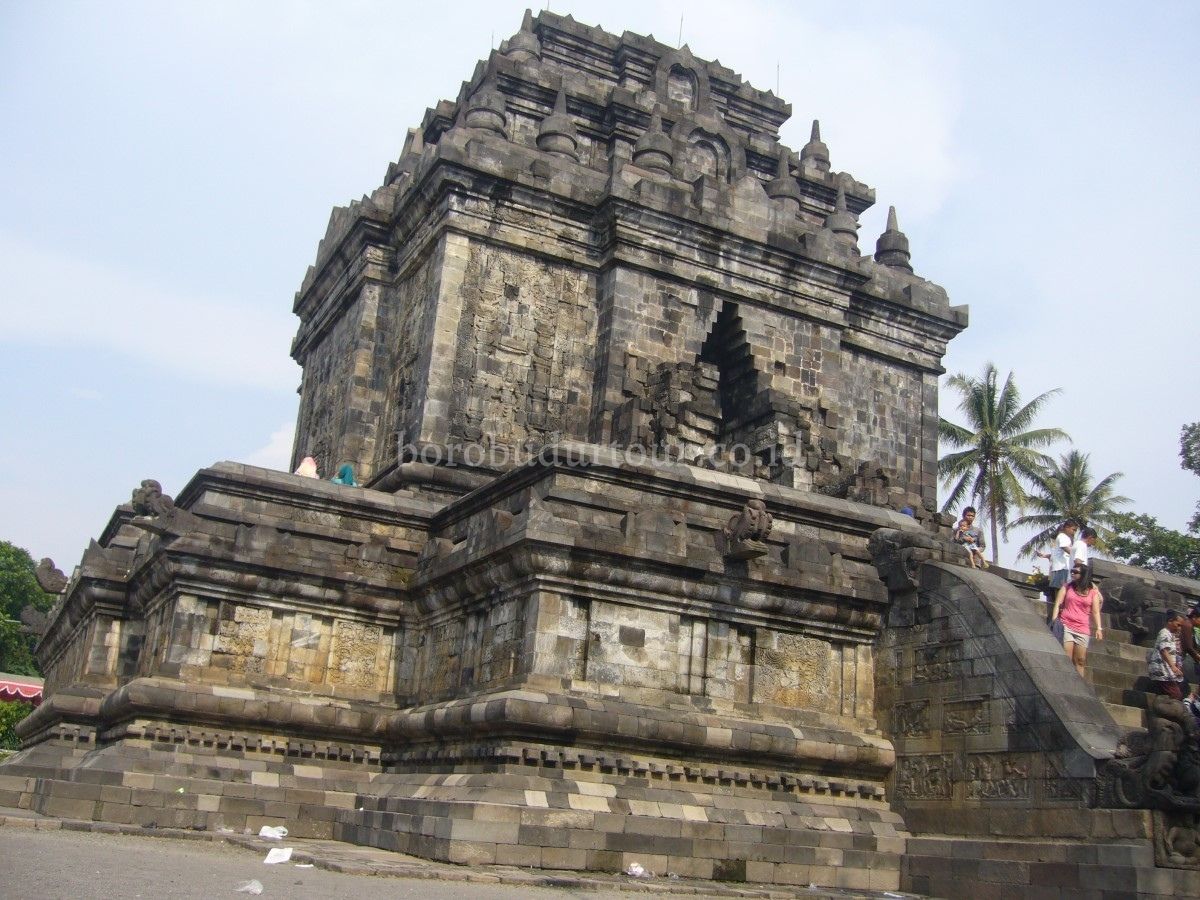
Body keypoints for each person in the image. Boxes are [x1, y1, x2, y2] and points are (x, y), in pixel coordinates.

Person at [1050, 562, 1104, 677]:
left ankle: (1080, 684)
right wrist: (1054, 620)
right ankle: (1066, 680)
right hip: (1066, 625)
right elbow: (1058, 603)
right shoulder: (1067, 587)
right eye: (1072, 572)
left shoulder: (1092, 592)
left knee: (1080, 660)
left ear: (1084, 574)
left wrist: (1099, 628)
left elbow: (1095, 611)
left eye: (1076, 572)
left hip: (1082, 628)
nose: (1073, 574)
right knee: (1067, 657)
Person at [1147, 610, 1187, 700]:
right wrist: (1173, 667)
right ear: (1170, 621)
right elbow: (1163, 650)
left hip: (1165, 671)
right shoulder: (1165, 633)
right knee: (1176, 694)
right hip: (1162, 671)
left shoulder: (1170, 634)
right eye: (1178, 625)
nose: (1179, 628)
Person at [1038, 520, 1078, 598]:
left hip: (1060, 568)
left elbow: (1056, 554)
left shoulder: (1063, 538)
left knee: (1060, 591)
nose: (1074, 532)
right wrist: (1078, 557)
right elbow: (1066, 548)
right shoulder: (1063, 536)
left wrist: (1045, 556)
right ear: (1066, 528)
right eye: (1073, 530)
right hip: (1061, 568)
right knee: (1061, 590)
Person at [1181, 606, 1200, 699]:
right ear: (1194, 617)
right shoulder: (1187, 625)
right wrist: (1197, 656)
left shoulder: (1190, 626)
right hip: (1182, 657)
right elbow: (1188, 646)